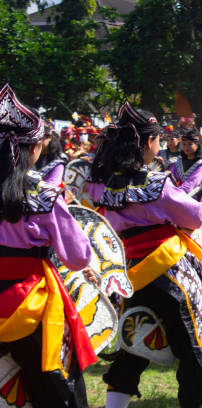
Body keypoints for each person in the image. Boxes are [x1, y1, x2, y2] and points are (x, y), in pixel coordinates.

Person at [90, 101, 202, 408]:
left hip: (131, 273)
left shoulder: (111, 186)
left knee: (133, 345)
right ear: (148, 142)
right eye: (157, 139)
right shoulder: (156, 183)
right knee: (195, 347)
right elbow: (194, 216)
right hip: (170, 272)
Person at [0, 83, 97, 407]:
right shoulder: (43, 193)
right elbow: (79, 257)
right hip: (30, 305)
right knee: (60, 389)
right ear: (31, 149)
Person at [167, 128, 202, 193]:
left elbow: (190, 185)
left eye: (190, 144)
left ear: (197, 145)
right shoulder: (178, 161)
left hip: (193, 198)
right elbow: (170, 178)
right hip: (175, 194)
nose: (186, 147)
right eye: (184, 144)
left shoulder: (201, 165)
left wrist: (174, 193)